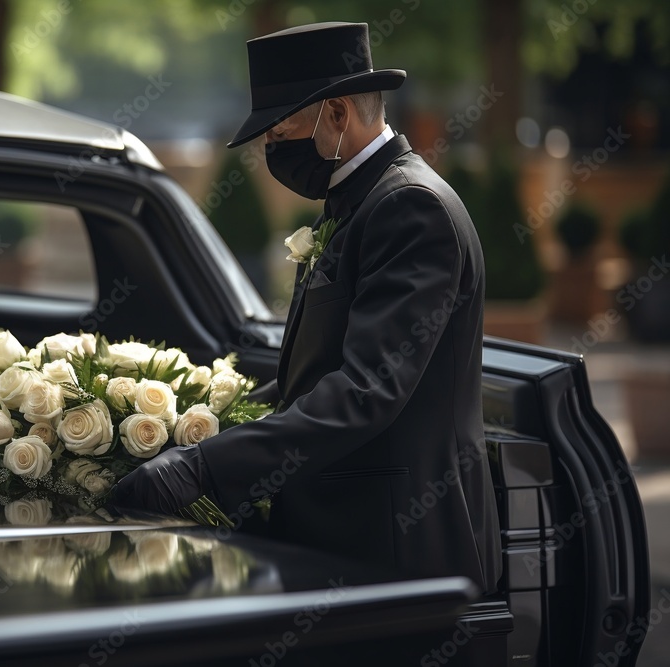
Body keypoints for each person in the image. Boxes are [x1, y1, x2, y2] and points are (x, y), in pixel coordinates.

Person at [113, 22, 502, 593]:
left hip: (400, 546)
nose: (271, 148)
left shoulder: (408, 207)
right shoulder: (357, 199)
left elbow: (365, 390)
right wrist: (201, 422)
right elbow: (313, 377)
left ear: (338, 114)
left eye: (280, 129)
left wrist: (206, 470)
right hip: (351, 534)